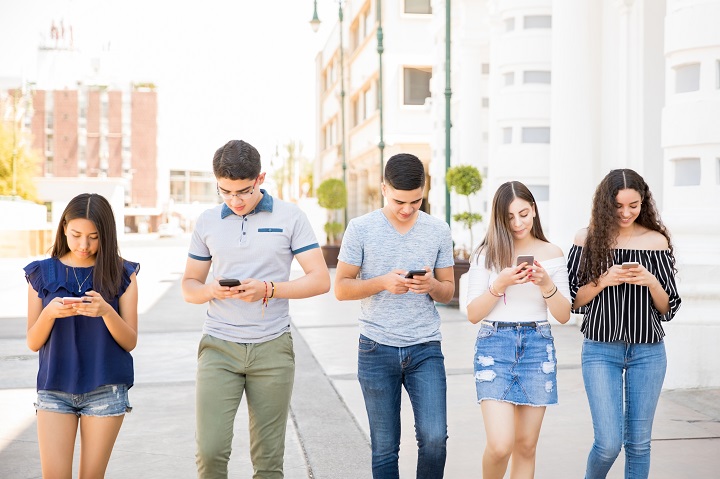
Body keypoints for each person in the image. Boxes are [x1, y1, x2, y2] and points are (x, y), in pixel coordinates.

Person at [181, 139, 330, 478]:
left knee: (268, 461)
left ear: (260, 178)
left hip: (273, 348)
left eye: (243, 192)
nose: (234, 201)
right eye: (225, 192)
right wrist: (210, 290)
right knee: (210, 452)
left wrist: (269, 289)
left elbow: (321, 279)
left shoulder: (291, 217)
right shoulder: (207, 222)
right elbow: (189, 286)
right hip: (218, 346)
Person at [334, 153, 455, 479]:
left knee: (434, 439)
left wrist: (431, 285)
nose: (406, 209)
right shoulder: (360, 229)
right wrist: (382, 282)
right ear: (383, 187)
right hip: (376, 348)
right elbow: (341, 288)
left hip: (424, 347)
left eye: (416, 201)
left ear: (424, 190)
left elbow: (448, 291)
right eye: (399, 201)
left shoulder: (438, 230)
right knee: (385, 447)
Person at [568, 168, 681, 479]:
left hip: (648, 352)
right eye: (618, 206)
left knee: (639, 445)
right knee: (607, 443)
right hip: (600, 350)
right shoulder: (587, 240)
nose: (626, 212)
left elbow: (668, 306)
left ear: (643, 203)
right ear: (606, 204)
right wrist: (604, 280)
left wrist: (651, 282)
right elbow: (573, 301)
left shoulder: (656, 241)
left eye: (634, 205)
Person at [24, 193, 140, 478]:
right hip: (54, 389)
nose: (84, 245)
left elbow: (130, 341)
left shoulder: (122, 273)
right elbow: (33, 342)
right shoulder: (41, 272)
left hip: (106, 388)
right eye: (76, 235)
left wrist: (106, 312)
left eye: (94, 237)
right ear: (64, 227)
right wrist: (49, 313)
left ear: (107, 236)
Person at [465, 181, 571, 478]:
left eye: (523, 213)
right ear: (499, 219)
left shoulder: (552, 253)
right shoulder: (486, 254)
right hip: (494, 345)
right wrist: (499, 284)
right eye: (509, 217)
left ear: (534, 210)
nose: (518, 223)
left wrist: (545, 283)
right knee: (500, 445)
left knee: (525, 446)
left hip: (538, 346)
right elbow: (473, 313)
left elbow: (563, 315)